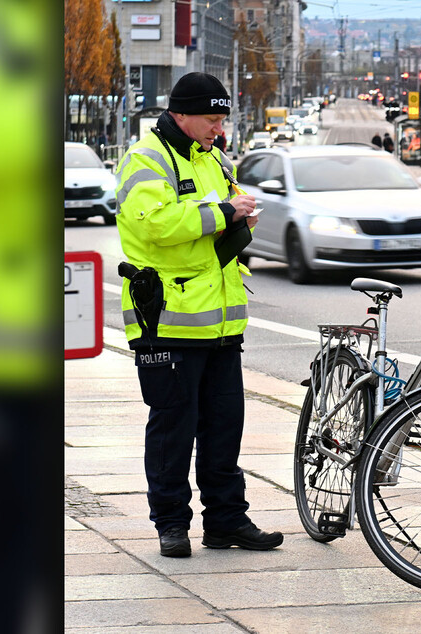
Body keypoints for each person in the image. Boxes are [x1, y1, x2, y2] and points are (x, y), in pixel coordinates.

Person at [114, 72, 282, 558]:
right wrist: (224, 213)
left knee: (224, 426)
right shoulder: (145, 159)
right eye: (211, 118)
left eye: (221, 119)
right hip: (166, 320)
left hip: (221, 323)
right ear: (180, 114)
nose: (218, 128)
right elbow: (158, 224)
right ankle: (170, 523)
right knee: (173, 427)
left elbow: (218, 213)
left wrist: (242, 214)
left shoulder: (212, 157)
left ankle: (226, 520)